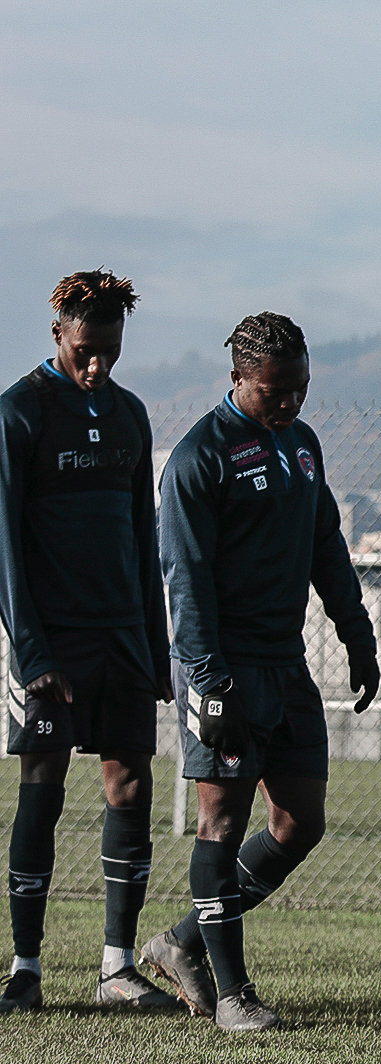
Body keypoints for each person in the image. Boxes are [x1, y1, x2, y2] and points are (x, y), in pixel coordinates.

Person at [140, 312, 380, 1032]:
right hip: (223, 667)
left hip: (287, 664)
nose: (291, 404)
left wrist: (357, 633)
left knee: (299, 823)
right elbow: (184, 581)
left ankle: (181, 941)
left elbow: (326, 546)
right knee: (221, 821)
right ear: (239, 378)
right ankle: (234, 995)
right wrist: (210, 683)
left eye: (300, 389)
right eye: (276, 391)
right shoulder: (197, 459)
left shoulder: (303, 447)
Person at [0, 270, 178, 1014]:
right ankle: (26, 969)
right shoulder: (21, 412)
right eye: (85, 349)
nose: (98, 363)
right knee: (41, 787)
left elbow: (145, 538)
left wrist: (156, 647)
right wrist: (32, 653)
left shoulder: (131, 415)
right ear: (58, 336)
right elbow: (4, 542)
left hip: (123, 642)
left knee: (129, 785)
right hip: (54, 645)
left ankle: (115, 970)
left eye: (109, 349)